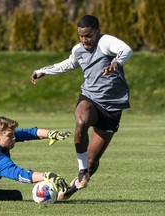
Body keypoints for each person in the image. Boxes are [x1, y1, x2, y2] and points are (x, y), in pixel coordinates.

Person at [31, 15, 133, 199]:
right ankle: (81, 170)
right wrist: (43, 71)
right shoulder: (78, 50)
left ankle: (75, 186)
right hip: (90, 98)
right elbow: (69, 64)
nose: (85, 40)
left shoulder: (105, 42)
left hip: (112, 107)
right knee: (81, 120)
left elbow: (126, 49)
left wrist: (117, 62)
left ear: (97, 31)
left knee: (93, 161)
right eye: (81, 36)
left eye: (88, 36)